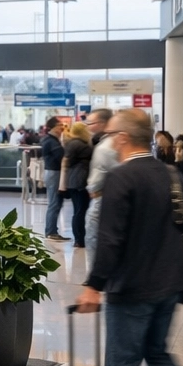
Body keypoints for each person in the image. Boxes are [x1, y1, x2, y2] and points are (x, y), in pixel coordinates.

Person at [77, 108, 183, 366]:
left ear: (123, 138)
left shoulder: (122, 178)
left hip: (132, 289)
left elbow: (110, 241)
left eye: (110, 135)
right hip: (169, 284)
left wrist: (94, 286)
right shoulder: (170, 174)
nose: (108, 139)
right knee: (156, 354)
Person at [85, 109, 118, 256]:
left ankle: (94, 276)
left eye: (91, 123)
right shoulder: (115, 143)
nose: (88, 127)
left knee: (93, 238)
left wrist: (92, 188)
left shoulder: (104, 147)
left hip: (102, 197)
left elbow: (97, 178)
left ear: (103, 124)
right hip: (115, 196)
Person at [61, 121, 93, 250]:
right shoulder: (80, 144)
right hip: (81, 180)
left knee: (78, 210)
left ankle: (79, 238)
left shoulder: (72, 144)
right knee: (80, 211)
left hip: (74, 180)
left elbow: (67, 162)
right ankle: (79, 239)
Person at [39, 116, 67, 241]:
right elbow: (60, 156)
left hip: (52, 173)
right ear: (53, 127)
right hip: (54, 173)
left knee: (56, 202)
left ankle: (52, 230)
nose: (62, 128)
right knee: (54, 203)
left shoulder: (50, 140)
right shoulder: (51, 141)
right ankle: (50, 231)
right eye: (60, 126)